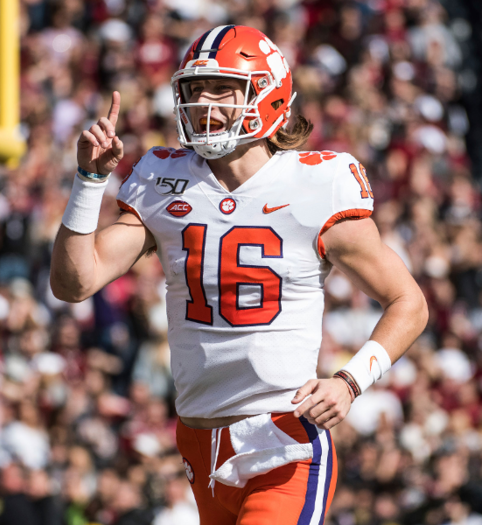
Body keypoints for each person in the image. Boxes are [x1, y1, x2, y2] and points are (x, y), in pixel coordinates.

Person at [50, 24, 428, 525]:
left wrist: (350, 381)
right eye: (194, 89)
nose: (203, 103)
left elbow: (409, 302)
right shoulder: (165, 178)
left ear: (269, 95)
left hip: (283, 441)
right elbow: (74, 283)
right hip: (197, 441)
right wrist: (89, 182)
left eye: (221, 88)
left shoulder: (316, 184)